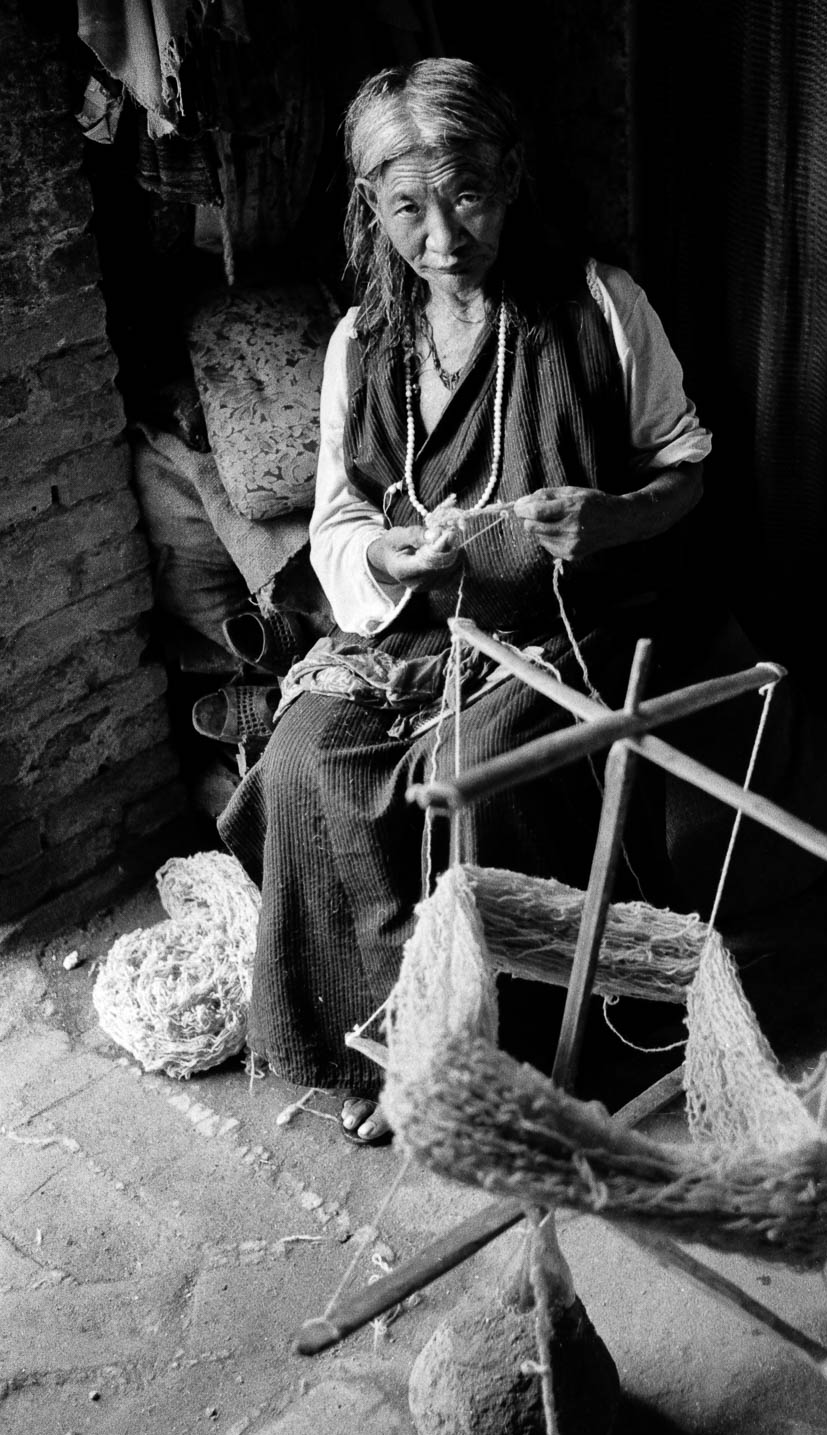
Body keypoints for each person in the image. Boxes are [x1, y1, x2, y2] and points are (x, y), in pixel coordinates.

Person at [218, 57, 775, 1144]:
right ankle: (377, 1039)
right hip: (415, 638)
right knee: (299, 761)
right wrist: (386, 561)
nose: (442, 237)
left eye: (466, 195)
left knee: (468, 779)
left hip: (575, 631)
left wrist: (612, 519)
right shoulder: (362, 348)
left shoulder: (599, 308)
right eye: (406, 209)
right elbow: (336, 525)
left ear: (510, 178)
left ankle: (494, 1057)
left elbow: (687, 465)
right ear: (370, 210)